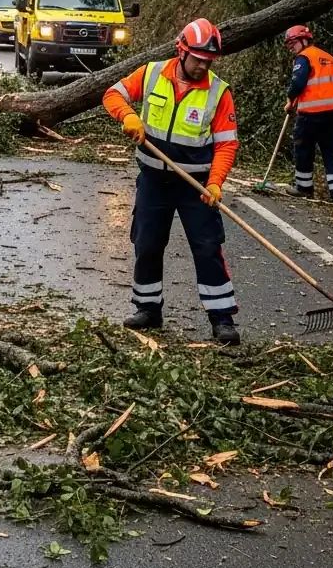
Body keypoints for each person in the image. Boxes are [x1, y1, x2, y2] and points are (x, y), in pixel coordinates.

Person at [102, 18, 242, 345]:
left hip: (196, 186)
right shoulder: (152, 74)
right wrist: (129, 116)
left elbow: (226, 143)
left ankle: (222, 318)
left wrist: (216, 182)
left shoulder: (218, 93)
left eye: (209, 61)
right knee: (147, 243)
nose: (202, 66)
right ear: (181, 51)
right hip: (153, 180)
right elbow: (113, 94)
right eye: (197, 59)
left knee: (207, 247)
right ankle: (148, 309)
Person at [282, 25, 333, 204]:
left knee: (303, 148)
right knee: (332, 152)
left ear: (304, 40)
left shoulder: (303, 58)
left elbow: (297, 83)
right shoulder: (329, 57)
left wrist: (290, 101)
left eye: (293, 43)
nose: (291, 48)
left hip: (310, 114)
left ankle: (303, 188)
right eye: (289, 45)